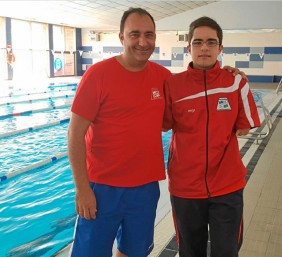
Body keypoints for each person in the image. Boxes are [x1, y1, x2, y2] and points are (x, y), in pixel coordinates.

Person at [68, 7, 245, 257]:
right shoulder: (98, 75)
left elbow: (194, 90)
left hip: (145, 188)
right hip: (102, 187)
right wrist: (82, 188)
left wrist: (227, 73)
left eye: (149, 35)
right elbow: (74, 136)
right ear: (121, 37)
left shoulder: (164, 79)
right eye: (135, 34)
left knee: (133, 251)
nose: (143, 42)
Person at [163, 16, 261, 257]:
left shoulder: (236, 82)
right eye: (197, 42)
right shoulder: (172, 86)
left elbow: (245, 126)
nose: (204, 47)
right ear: (188, 48)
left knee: (227, 251)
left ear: (220, 48)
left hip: (227, 186)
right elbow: (161, 125)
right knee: (190, 252)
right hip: (185, 188)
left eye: (210, 42)